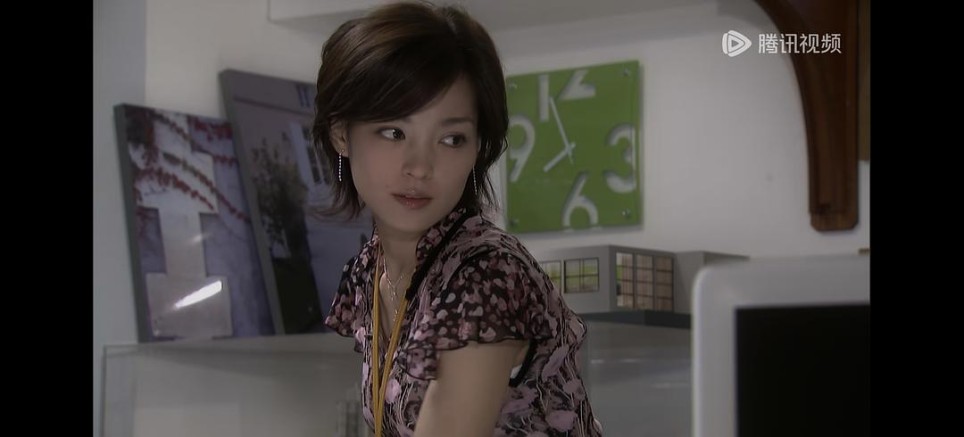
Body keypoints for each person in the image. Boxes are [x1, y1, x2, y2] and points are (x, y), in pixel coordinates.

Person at [313, 2, 602, 436]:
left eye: (451, 139)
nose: (420, 167)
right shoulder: (372, 270)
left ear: (477, 148)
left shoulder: (486, 274)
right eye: (394, 132)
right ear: (341, 133)